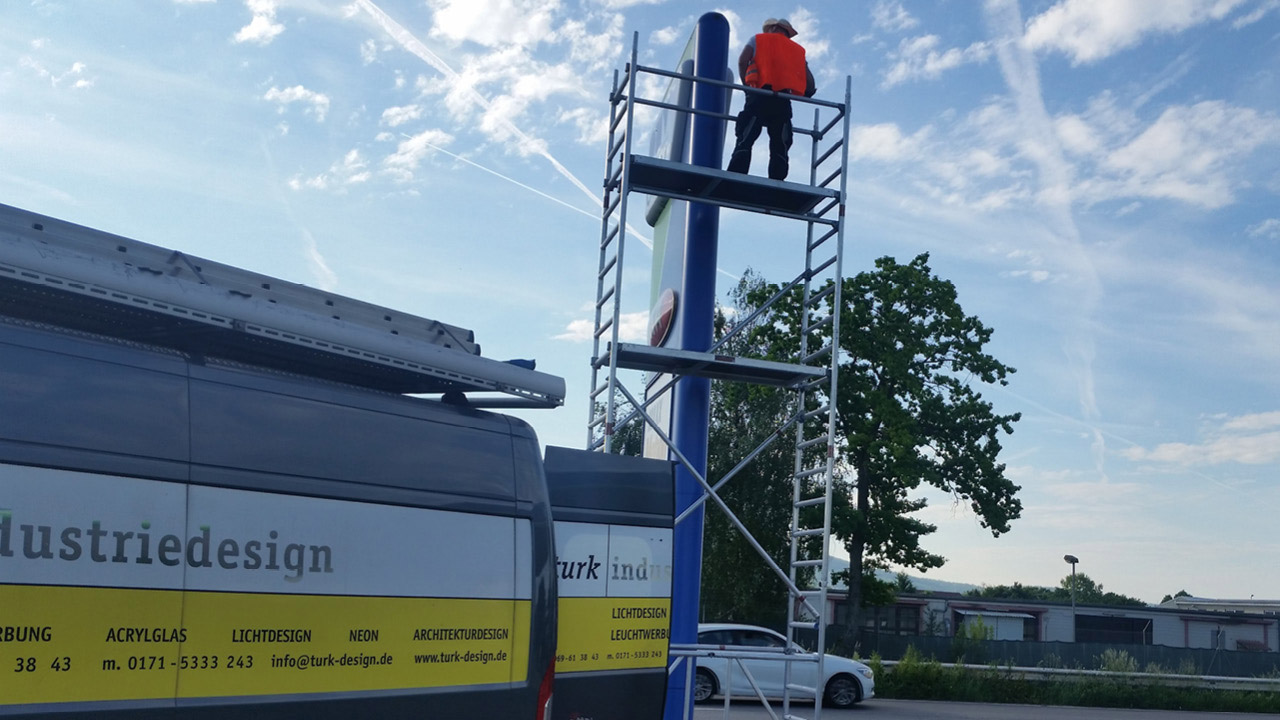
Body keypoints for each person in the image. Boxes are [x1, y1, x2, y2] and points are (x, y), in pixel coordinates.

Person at [726, 18, 817, 181]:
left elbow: (742, 61)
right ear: (786, 31)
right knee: (780, 140)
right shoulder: (797, 50)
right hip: (782, 98)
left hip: (759, 94)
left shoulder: (757, 39)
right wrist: (808, 92)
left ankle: (737, 172)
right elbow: (809, 81)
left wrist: (746, 86)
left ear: (772, 27)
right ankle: (777, 178)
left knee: (747, 133)